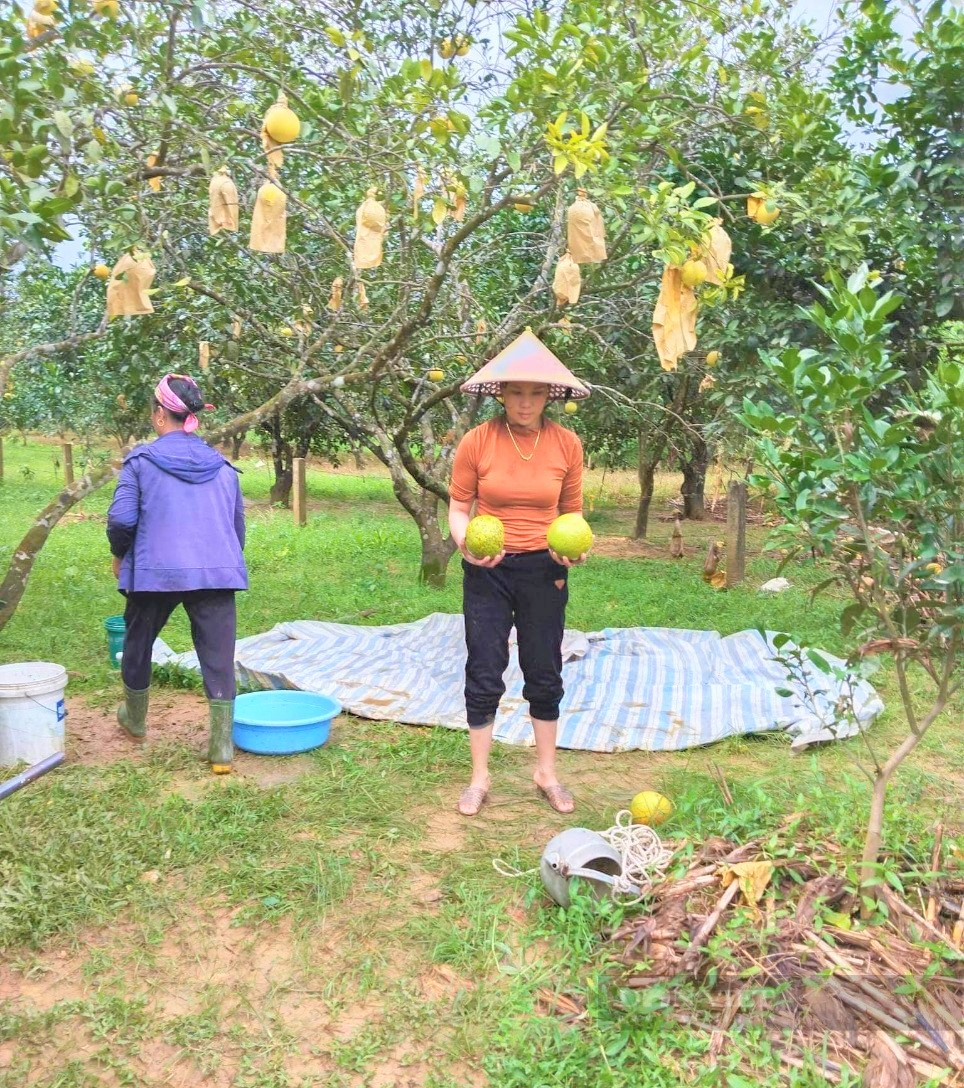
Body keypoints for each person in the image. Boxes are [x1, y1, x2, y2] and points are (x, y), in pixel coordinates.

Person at [447, 329, 591, 817]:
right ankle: (479, 778)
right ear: (501, 393)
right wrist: (464, 545)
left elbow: (572, 515)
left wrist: (576, 549)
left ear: (550, 394)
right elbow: (458, 505)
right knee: (484, 668)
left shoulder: (567, 444)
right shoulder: (478, 441)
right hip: (488, 569)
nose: (526, 402)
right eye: (516, 391)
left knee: (544, 668)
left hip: (544, 567)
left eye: (536, 392)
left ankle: (546, 772)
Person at [106, 373, 247, 774]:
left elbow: (121, 520)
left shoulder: (140, 463)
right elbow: (236, 528)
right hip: (217, 572)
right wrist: (217, 562)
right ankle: (221, 747)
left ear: (157, 415)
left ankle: (134, 720)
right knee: (218, 655)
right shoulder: (223, 467)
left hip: (155, 572)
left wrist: (120, 556)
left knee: (138, 641)